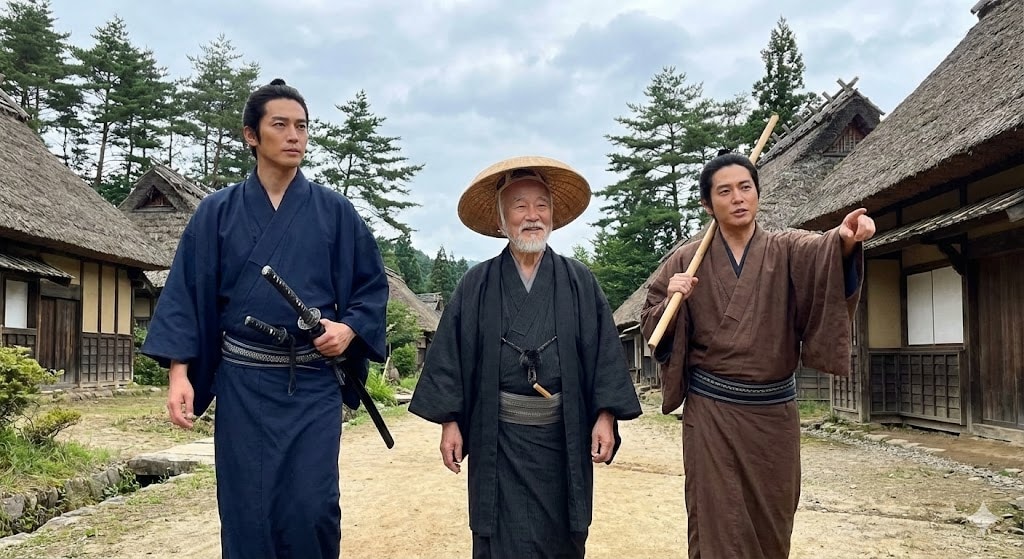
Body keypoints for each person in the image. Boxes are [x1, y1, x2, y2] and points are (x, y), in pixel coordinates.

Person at [142, 79, 388, 559]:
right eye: (281, 125)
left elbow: (371, 288)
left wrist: (348, 329)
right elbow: (187, 294)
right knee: (247, 509)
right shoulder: (216, 212)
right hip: (244, 383)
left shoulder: (336, 212)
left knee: (313, 508)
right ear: (251, 136)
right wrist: (179, 374)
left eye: (302, 126)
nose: (294, 135)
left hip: (313, 382)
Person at [641, 152, 874, 558]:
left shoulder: (787, 248)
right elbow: (652, 325)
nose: (737, 198)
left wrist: (846, 240)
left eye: (745, 187)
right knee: (716, 522)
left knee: (773, 521)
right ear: (707, 204)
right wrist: (672, 301)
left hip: (773, 415)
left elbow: (823, 251)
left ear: (758, 194)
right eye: (724, 191)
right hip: (712, 414)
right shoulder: (685, 260)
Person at [409, 155, 642, 558]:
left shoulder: (578, 281)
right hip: (498, 437)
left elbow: (604, 352)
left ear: (552, 216)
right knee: (500, 539)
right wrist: (449, 422)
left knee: (562, 537)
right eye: (520, 206)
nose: (533, 216)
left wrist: (606, 415)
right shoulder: (477, 283)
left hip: (562, 437)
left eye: (541, 205)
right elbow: (450, 357)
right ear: (501, 221)